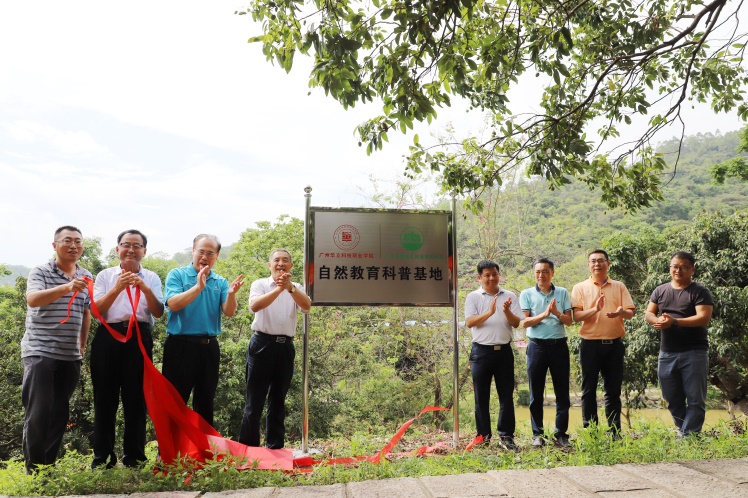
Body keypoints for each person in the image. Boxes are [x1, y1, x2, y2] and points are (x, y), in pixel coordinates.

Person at [90, 229, 164, 468]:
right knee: (104, 398)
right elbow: (96, 311)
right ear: (117, 249)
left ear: (144, 251)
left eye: (136, 245)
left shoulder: (151, 277)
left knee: (136, 398)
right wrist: (117, 288)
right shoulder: (105, 276)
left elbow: (158, 312)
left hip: (139, 337)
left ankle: (135, 457)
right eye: (126, 245)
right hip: (108, 337)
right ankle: (102, 458)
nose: (131, 250)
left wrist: (145, 288)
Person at [21, 226, 92, 474]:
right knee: (39, 412)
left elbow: (86, 312)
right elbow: (33, 299)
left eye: (78, 241)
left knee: (59, 413)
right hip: (40, 351)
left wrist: (82, 344)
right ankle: (34, 472)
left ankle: (47, 468)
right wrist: (67, 287)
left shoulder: (86, 274)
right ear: (55, 245)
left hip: (70, 354)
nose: (73, 246)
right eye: (67, 241)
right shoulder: (41, 271)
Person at [162, 234, 244, 426]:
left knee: (205, 401)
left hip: (208, 347)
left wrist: (231, 294)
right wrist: (198, 287)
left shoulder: (220, 282)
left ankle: (203, 444)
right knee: (175, 401)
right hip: (179, 346)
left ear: (217, 255)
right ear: (193, 251)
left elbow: (229, 312)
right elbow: (173, 304)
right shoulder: (177, 275)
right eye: (201, 251)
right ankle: (171, 445)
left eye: (210, 253)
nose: (205, 257)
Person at [238, 249, 311, 449]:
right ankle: (248, 447)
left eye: (285, 260)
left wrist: (290, 288)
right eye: (276, 260)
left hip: (285, 346)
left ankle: (275, 446)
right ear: (269, 265)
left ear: (291, 266)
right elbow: (254, 306)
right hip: (262, 344)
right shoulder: (260, 284)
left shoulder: (296, 287)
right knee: (255, 399)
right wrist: (279, 289)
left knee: (279, 398)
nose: (281, 263)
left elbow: (306, 306)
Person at [645, 251, 713, 437]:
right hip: (667, 353)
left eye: (684, 267)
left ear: (692, 270)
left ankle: (688, 436)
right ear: (670, 268)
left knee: (695, 398)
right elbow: (649, 313)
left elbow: (703, 317)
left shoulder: (700, 291)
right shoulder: (660, 290)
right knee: (671, 397)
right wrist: (657, 320)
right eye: (675, 266)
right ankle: (684, 432)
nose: (678, 270)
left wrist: (674, 322)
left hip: (694, 352)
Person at [572, 249, 635, 437]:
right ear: (588, 265)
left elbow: (630, 313)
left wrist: (620, 312)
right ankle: (591, 431)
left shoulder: (619, 286)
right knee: (588, 390)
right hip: (590, 345)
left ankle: (614, 431)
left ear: (608, 264)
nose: (597, 264)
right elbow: (576, 316)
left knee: (613, 390)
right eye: (593, 261)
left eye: (601, 260)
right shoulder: (580, 287)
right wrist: (595, 309)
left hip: (614, 345)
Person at [464, 259, 522, 449]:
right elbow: (470, 322)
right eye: (487, 275)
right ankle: (483, 436)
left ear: (499, 275)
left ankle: (506, 437)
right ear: (479, 278)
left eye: (495, 274)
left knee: (506, 395)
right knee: (481, 396)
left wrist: (506, 311)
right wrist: (490, 312)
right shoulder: (473, 297)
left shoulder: (509, 296)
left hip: (504, 351)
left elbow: (516, 323)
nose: (491, 278)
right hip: (481, 352)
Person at [519, 258, 573, 447]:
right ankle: (537, 434)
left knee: (562, 392)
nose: (541, 275)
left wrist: (556, 312)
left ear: (552, 273)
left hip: (559, 346)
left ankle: (561, 434)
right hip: (537, 347)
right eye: (538, 272)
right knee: (536, 392)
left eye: (545, 271)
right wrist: (544, 314)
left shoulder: (562, 292)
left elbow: (569, 321)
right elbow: (524, 322)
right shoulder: (526, 294)